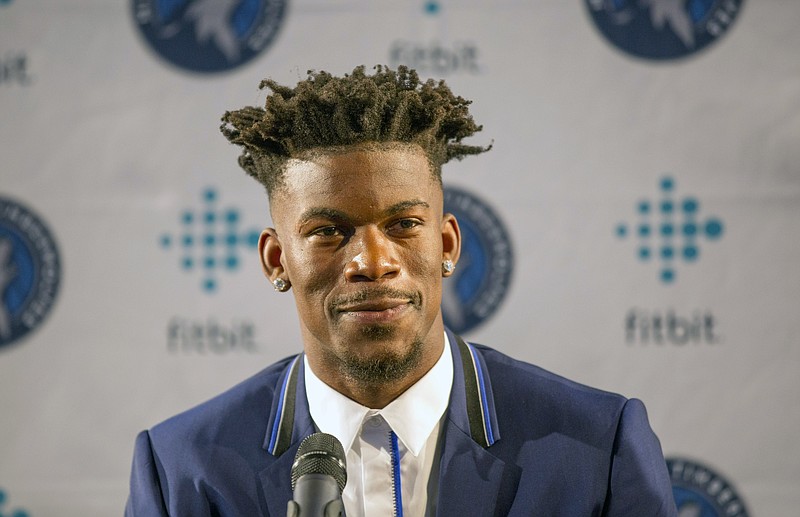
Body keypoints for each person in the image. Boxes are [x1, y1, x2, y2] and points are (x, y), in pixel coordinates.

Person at [126, 65, 678, 516]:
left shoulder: (598, 447)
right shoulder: (180, 471)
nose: (372, 261)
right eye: (328, 232)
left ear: (446, 244)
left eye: (403, 225)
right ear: (277, 259)